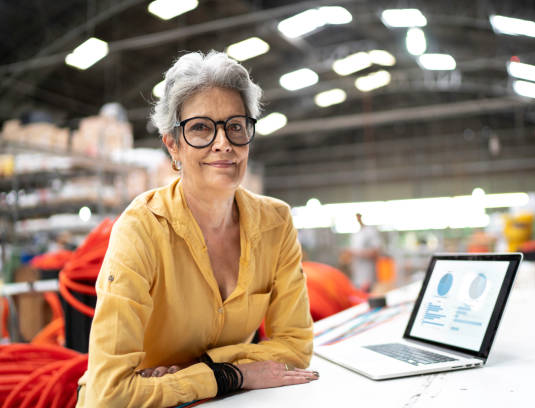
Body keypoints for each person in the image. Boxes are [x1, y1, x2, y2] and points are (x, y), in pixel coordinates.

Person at [76, 51, 318, 407]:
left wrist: (204, 371)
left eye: (236, 126)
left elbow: (296, 348)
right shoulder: (141, 229)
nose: (224, 143)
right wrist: (233, 374)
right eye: (201, 128)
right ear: (172, 145)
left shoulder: (276, 223)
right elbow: (108, 394)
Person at [348, 213, 382, 291]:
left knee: (368, 294)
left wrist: (355, 253)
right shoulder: (355, 233)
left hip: (368, 274)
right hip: (357, 275)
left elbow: (376, 252)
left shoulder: (370, 231)